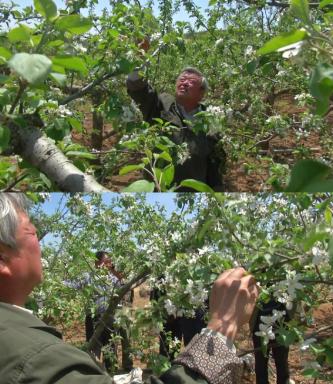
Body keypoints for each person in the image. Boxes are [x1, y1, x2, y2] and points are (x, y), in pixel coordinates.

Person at [0, 194, 258, 384]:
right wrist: (223, 326)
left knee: (118, 348)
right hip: (99, 317)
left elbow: (130, 289)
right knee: (105, 351)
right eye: (32, 232)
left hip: (116, 318)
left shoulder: (20, 337)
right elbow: (74, 286)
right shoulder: (37, 359)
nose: (41, 240)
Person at [126, 40, 224, 191]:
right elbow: (139, 90)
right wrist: (139, 57)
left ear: (201, 93)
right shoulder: (162, 104)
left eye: (191, 82)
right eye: (181, 80)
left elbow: (215, 164)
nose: (184, 83)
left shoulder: (211, 121)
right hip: (158, 188)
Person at [66, 251, 133, 371]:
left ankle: (112, 373)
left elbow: (126, 286)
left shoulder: (112, 278)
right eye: (106, 262)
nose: (109, 264)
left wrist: (116, 272)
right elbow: (72, 285)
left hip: (109, 318)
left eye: (110, 262)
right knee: (93, 349)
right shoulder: (88, 276)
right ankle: (94, 376)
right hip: (93, 318)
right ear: (96, 262)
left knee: (110, 348)